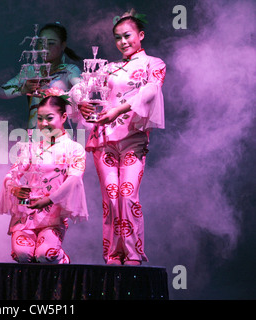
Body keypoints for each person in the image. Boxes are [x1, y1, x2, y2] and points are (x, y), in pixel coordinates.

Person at [74, 9, 166, 265]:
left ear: (141, 35)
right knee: (111, 197)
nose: (123, 42)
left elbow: (150, 92)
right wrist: (80, 102)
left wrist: (118, 109)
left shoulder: (154, 64)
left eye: (127, 36)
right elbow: (83, 88)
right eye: (118, 38)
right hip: (104, 138)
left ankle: (133, 253)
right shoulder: (110, 68)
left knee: (128, 195)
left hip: (133, 138)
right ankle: (113, 254)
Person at [0, 90, 88, 264]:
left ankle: (63, 260)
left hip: (52, 216)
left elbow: (74, 180)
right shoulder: (30, 147)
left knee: (45, 256)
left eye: (49, 118)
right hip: (27, 214)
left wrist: (48, 200)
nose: (43, 123)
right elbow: (12, 173)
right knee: (22, 255)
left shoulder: (74, 149)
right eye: (40, 118)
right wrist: (14, 187)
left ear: (63, 117)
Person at [0, 23, 82, 129]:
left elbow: (82, 92)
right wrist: (23, 89)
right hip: (34, 134)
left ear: (63, 45)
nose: (44, 47)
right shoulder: (30, 70)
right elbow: (1, 92)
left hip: (60, 135)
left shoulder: (70, 70)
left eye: (50, 43)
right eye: (41, 43)